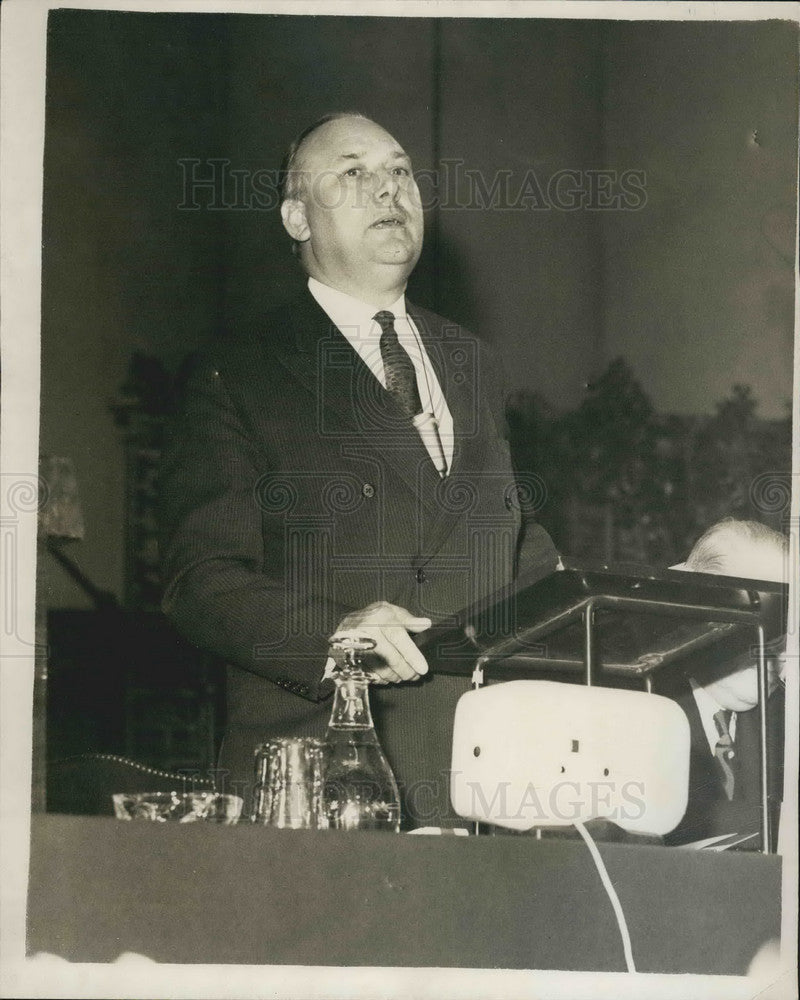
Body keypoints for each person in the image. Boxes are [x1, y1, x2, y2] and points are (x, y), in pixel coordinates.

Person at [159, 113, 558, 826]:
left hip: (480, 782)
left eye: (401, 171)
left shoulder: (473, 360)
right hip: (317, 782)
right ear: (296, 218)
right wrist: (337, 635)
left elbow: (517, 549)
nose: (389, 190)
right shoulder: (239, 370)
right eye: (353, 172)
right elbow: (200, 580)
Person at [662, 519, 788, 847]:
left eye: (787, 623)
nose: (777, 646)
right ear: (696, 611)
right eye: (758, 616)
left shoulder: (787, 724)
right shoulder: (637, 707)